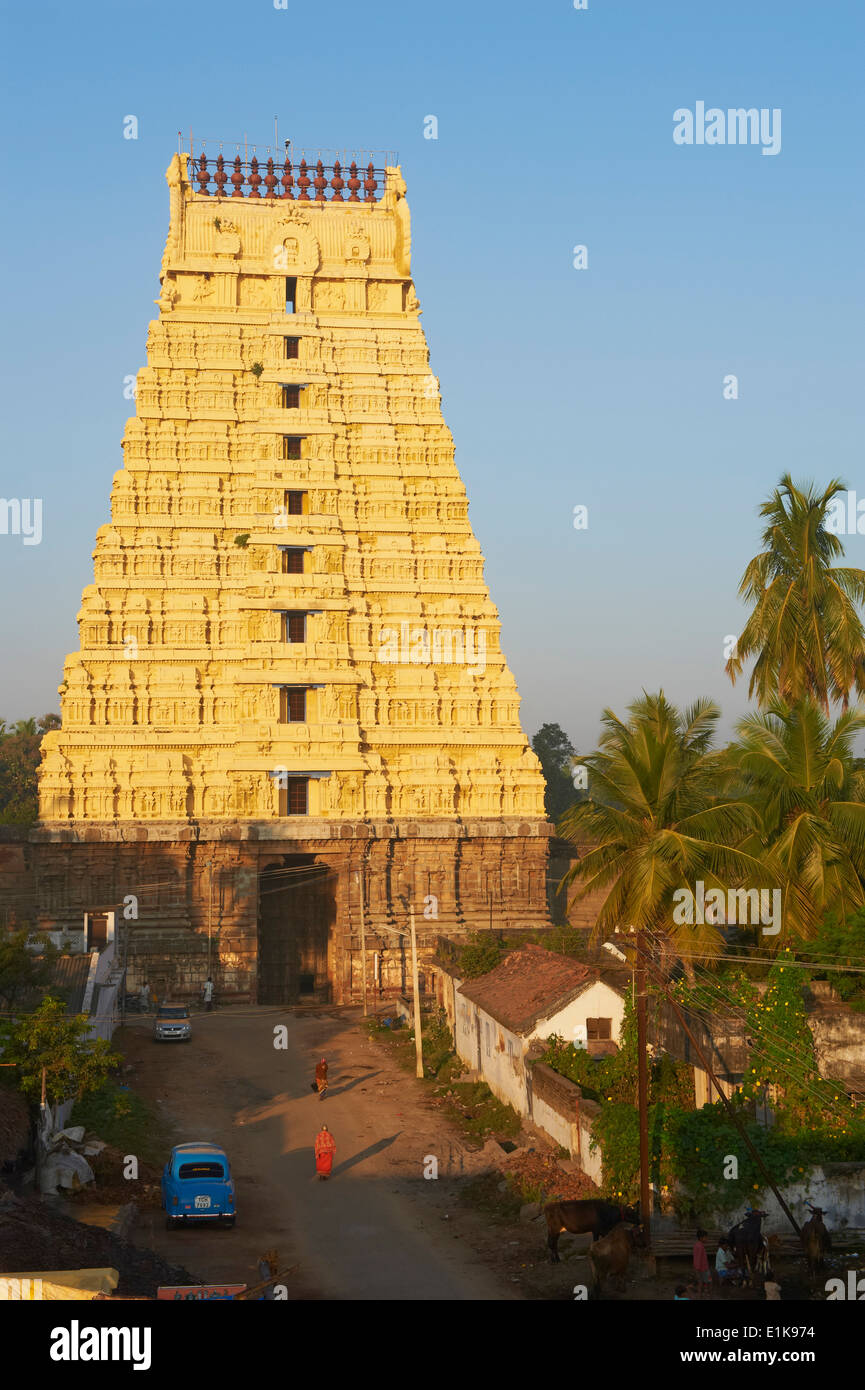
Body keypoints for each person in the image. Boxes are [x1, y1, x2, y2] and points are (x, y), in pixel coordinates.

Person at [693, 1229, 711, 1298]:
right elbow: (698, 1258)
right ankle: (704, 1295)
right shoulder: (700, 1246)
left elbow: (696, 1258)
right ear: (701, 1238)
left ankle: (701, 1295)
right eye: (706, 1237)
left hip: (700, 1268)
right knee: (707, 1282)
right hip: (703, 1269)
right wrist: (697, 1269)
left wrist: (696, 1268)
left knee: (701, 1282)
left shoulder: (697, 1245)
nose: (707, 1239)